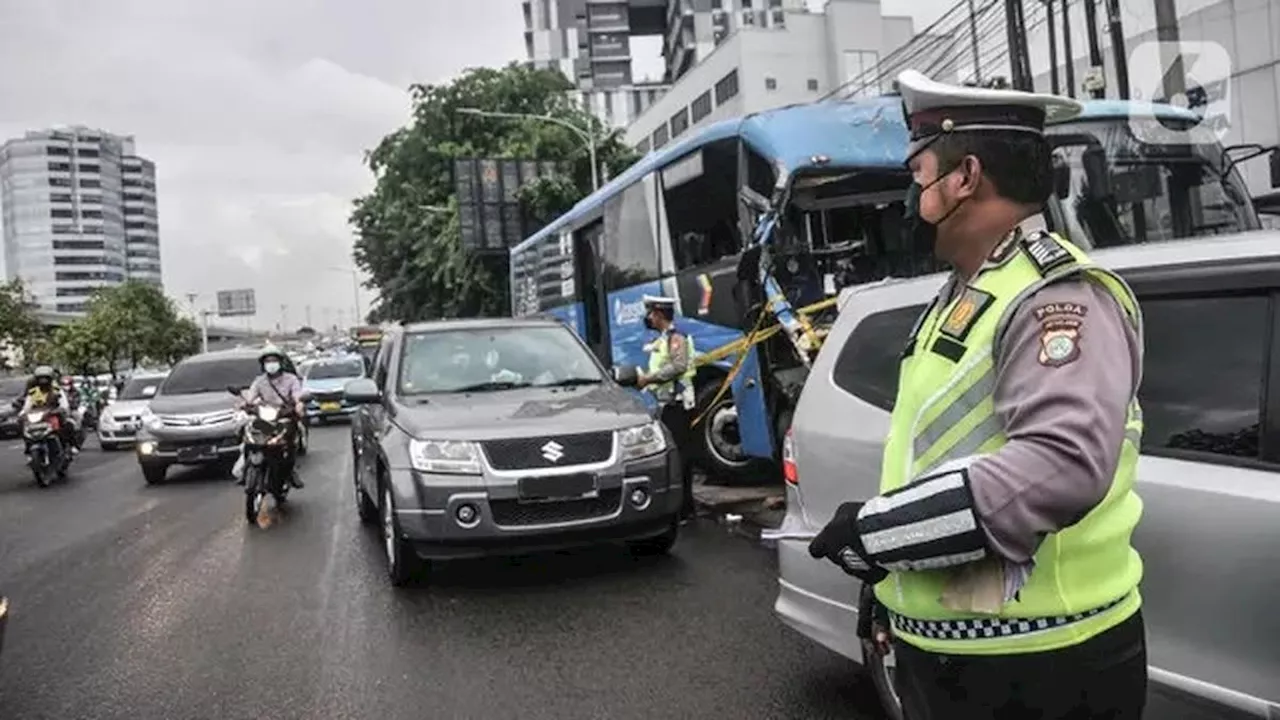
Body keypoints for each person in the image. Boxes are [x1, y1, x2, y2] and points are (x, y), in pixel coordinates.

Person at [806, 70, 1147, 719]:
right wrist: (894, 585)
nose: (910, 198)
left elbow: (1061, 468)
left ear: (963, 177)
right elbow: (938, 455)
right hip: (958, 660)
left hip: (1041, 667)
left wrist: (878, 535)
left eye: (918, 176)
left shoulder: (1056, 297)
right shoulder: (964, 293)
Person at [635, 295, 698, 523]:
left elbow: (678, 365)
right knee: (676, 455)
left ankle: (685, 509)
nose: (648, 317)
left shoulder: (675, 337)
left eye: (651, 313)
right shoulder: (664, 338)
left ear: (659, 314)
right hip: (668, 403)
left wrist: (649, 379)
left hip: (678, 404)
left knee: (681, 456)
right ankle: (682, 507)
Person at [235, 346, 305, 489]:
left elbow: (297, 394)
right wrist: (244, 404)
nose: (271, 364)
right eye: (268, 361)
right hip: (265, 417)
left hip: (285, 415)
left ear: (280, 362)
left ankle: (290, 472)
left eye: (274, 360)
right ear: (263, 365)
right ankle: (246, 469)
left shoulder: (291, 379)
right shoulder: (260, 381)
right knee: (249, 438)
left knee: (289, 443)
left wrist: (298, 404)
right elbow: (251, 397)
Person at [20, 366, 80, 455]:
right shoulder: (33, 392)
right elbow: (27, 406)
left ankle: (71, 445)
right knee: (23, 424)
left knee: (68, 424)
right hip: (39, 417)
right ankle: (28, 447)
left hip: (53, 414)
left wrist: (63, 409)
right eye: (41, 379)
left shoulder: (57, 391)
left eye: (45, 379)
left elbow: (64, 404)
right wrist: (23, 413)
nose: (43, 381)